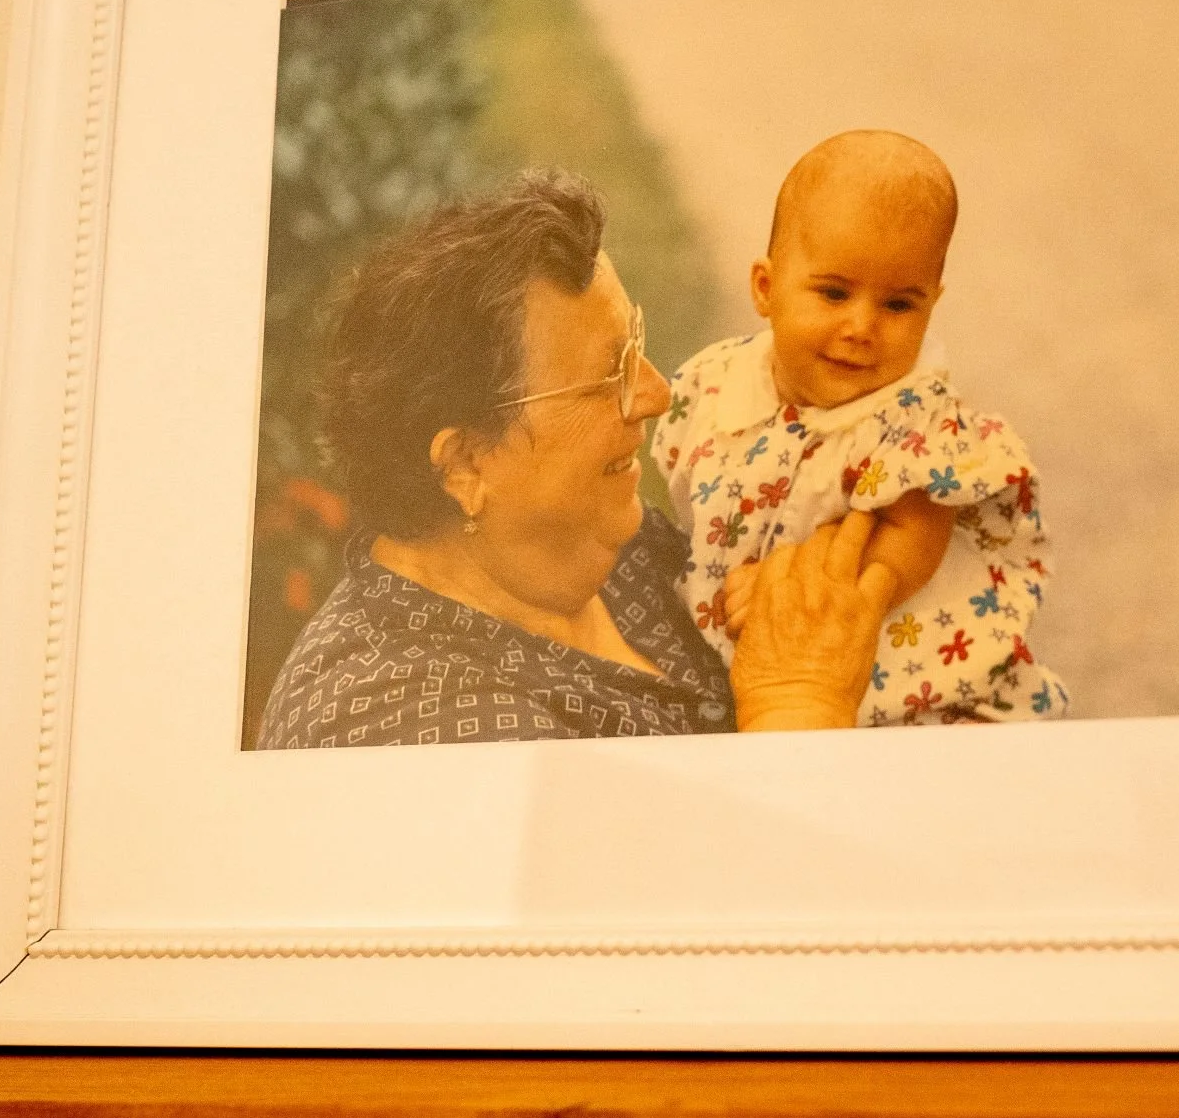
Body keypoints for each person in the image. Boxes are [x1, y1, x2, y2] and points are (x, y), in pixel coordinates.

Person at [257, 168, 894, 748]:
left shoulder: (585, 543)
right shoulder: (402, 725)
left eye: (635, 344)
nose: (656, 393)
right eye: (604, 378)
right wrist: (798, 704)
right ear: (466, 465)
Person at [656, 130, 1066, 727]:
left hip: (901, 672)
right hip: (758, 648)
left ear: (931, 303)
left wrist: (781, 581)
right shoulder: (718, 384)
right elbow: (686, 488)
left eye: (899, 305)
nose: (862, 326)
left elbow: (915, 536)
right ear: (766, 288)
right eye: (833, 293)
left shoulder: (912, 420)